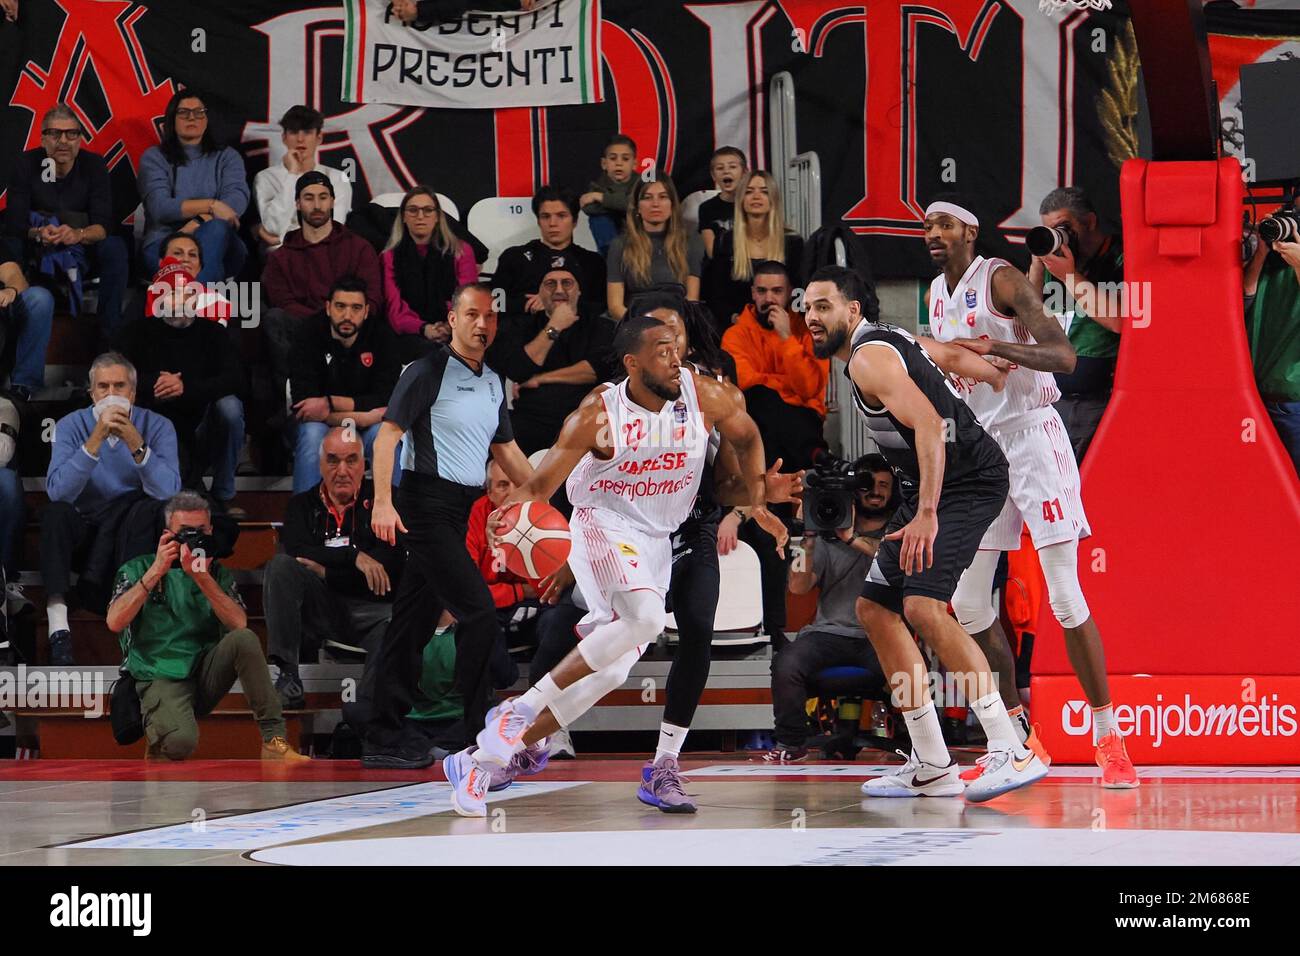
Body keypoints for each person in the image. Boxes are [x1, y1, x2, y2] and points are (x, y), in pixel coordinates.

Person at [442, 314, 786, 817]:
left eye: (678, 348)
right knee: (645, 619)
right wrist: (506, 513)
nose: (676, 359)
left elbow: (749, 437)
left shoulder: (706, 396)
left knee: (613, 666)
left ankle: (478, 762)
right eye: (663, 350)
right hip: (601, 523)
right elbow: (539, 487)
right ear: (632, 363)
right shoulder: (596, 416)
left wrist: (759, 493)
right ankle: (519, 712)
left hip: (655, 538)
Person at [805, 263, 1048, 802]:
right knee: (875, 608)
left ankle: (1012, 746)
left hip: (966, 482)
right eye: (807, 308)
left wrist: (928, 513)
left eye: (823, 306)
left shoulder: (869, 359)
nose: (811, 317)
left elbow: (933, 428)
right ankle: (932, 761)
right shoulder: (888, 337)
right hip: (928, 485)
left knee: (923, 608)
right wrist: (989, 372)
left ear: (852, 310)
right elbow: (946, 355)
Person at [924, 198, 1138, 789]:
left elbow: (1064, 355)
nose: (933, 235)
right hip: (983, 450)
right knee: (967, 606)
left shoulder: (1001, 277)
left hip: (1034, 439)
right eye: (926, 227)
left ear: (970, 230)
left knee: (1065, 596)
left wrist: (999, 348)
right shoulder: (937, 298)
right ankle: (1018, 737)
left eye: (944, 225)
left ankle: (1108, 738)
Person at [352, 283, 535, 769]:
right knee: (477, 613)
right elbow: (387, 437)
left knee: (411, 622)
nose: (482, 325)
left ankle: (383, 734)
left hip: (459, 507)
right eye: (472, 315)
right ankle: (472, 732)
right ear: (451, 318)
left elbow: (507, 452)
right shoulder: (426, 370)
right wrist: (383, 503)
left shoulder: (494, 381)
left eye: (490, 317)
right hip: (423, 503)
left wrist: (549, 500)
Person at [107, 490, 309, 762]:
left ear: (211, 531)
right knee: (180, 743)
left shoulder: (216, 573)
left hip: (204, 673)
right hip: (160, 673)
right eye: (185, 532)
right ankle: (160, 740)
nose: (193, 539)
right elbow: (115, 621)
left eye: (200, 532)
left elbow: (239, 624)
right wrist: (156, 571)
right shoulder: (137, 568)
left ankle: (273, 739)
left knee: (245, 639)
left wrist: (201, 578)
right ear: (168, 533)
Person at [42, 353, 182, 665]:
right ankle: (58, 624)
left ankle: (139, 622)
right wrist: (94, 441)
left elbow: (170, 492)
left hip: (132, 532)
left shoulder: (158, 426)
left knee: (150, 512)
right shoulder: (70, 426)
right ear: (91, 393)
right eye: (102, 387)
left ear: (132, 392)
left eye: (119, 386)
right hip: (87, 530)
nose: (111, 394)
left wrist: (136, 443)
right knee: (54, 515)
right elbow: (59, 492)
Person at [265, 426, 404, 709]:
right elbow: (299, 553)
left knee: (397, 623)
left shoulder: (386, 502)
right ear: (320, 464)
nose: (342, 470)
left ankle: (367, 712)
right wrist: (355, 557)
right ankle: (287, 674)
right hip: (324, 611)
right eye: (333, 460)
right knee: (280, 566)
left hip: (374, 612)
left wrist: (327, 571)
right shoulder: (300, 506)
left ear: (364, 465)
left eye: (351, 460)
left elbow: (391, 565)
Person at [767, 456, 895, 761]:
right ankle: (792, 744)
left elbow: (890, 562)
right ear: (854, 489)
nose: (875, 492)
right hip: (827, 634)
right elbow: (798, 587)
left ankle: (916, 744)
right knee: (786, 663)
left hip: (880, 635)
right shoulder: (827, 532)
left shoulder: (897, 529)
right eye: (868, 485)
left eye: (883, 485)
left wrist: (851, 538)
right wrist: (807, 536)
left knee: (908, 671)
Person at [118, 246, 245, 515]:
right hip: (155, 417)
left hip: (202, 419)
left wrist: (186, 387)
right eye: (169, 293)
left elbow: (235, 378)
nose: (178, 300)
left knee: (231, 408)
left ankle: (223, 494)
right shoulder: (136, 332)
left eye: (183, 292)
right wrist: (155, 382)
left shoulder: (214, 333)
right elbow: (116, 374)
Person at [3, 105, 129, 337]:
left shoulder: (94, 165)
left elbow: (103, 226)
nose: (63, 141)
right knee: (10, 241)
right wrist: (39, 233)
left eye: (71, 134)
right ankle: (15, 319)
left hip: (81, 245)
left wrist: (78, 234)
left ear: (80, 140)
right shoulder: (26, 164)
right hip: (37, 244)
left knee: (115, 247)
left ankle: (109, 335)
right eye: (54, 133)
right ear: (42, 139)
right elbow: (14, 222)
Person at [263, 172, 383, 397]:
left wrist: (342, 319)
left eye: (323, 197)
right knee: (274, 319)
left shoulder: (359, 248)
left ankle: (364, 399)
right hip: (305, 330)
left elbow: (373, 298)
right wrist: (323, 323)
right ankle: (296, 400)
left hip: (352, 328)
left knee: (375, 321)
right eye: (308, 198)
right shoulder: (281, 257)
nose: (317, 205)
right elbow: (283, 302)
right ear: (298, 203)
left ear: (333, 201)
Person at [1028, 186, 1124, 463]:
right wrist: (1037, 262)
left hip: (1098, 402)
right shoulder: (1055, 262)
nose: (1060, 237)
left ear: (1090, 222)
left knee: (1091, 486)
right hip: (1051, 401)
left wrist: (1070, 276)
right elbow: (1026, 315)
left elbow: (1120, 321)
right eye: (1050, 230)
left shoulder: (1119, 257)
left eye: (1064, 227)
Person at [288, 275, 400, 493]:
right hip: (322, 426)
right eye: (340, 306)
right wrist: (366, 415)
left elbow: (386, 398)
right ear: (328, 307)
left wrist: (330, 403)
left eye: (356, 308)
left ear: (366, 311)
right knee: (312, 436)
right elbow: (306, 408)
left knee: (385, 436)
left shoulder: (382, 336)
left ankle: (391, 516)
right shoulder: (307, 334)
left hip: (365, 427)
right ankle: (305, 521)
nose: (347, 315)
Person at [486, 267, 614, 455]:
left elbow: (594, 370)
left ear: (579, 290)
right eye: (550, 284)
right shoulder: (520, 326)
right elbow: (518, 370)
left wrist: (541, 378)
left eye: (567, 283)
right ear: (539, 292)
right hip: (531, 417)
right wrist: (554, 326)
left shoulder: (601, 326)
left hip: (584, 415)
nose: (559, 290)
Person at [721, 260, 827, 470]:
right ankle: (818, 456)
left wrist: (787, 338)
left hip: (802, 416)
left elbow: (808, 389)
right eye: (762, 291)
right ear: (753, 293)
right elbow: (744, 383)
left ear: (789, 293)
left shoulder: (809, 332)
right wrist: (786, 386)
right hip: (758, 416)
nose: (769, 298)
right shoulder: (735, 335)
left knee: (771, 405)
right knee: (762, 397)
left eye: (777, 291)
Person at [137, 90, 248, 282]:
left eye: (199, 112)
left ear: (206, 119)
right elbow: (160, 208)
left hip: (219, 239)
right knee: (203, 257)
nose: (191, 118)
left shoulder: (227, 157)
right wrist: (212, 206)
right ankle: (201, 305)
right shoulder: (154, 157)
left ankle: (190, 303)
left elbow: (236, 200)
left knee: (216, 229)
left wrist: (198, 221)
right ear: (172, 120)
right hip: (164, 244)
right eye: (183, 112)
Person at [380, 185, 478, 363]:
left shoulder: (462, 251)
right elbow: (395, 310)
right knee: (427, 353)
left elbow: (467, 302)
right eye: (413, 210)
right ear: (403, 217)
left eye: (427, 210)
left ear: (437, 217)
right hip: (411, 333)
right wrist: (424, 328)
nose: (420, 216)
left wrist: (449, 326)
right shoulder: (389, 257)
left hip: (456, 329)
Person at [1244, 195, 1300, 477]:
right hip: (1256, 397)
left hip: (1293, 401)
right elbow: (1243, 302)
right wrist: (1262, 253)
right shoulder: (1270, 266)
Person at [705, 170, 804, 329]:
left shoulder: (793, 242)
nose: (756, 196)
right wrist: (735, 318)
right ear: (741, 199)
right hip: (738, 329)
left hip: (782, 328)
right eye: (749, 192)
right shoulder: (725, 241)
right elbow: (715, 295)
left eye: (764, 192)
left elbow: (799, 292)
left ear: (773, 199)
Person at [253, 104, 353, 255]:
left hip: (326, 253)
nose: (300, 139)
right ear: (284, 138)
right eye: (293, 132)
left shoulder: (338, 178)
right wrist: (292, 174)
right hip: (282, 256)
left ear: (319, 138)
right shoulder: (266, 178)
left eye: (307, 132)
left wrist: (282, 236)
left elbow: (334, 228)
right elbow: (273, 227)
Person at [494, 185, 607, 315]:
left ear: (575, 221)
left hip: (577, 332)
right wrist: (526, 304)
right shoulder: (513, 257)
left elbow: (601, 306)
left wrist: (554, 302)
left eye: (561, 216)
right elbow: (496, 302)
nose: (553, 223)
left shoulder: (592, 262)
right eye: (546, 216)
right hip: (523, 332)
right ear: (538, 221)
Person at [606, 173, 705, 320]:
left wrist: (673, 326)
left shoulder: (691, 241)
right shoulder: (620, 245)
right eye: (647, 197)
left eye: (663, 197)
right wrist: (643, 326)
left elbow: (691, 301)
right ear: (637, 206)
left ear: (672, 205)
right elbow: (615, 306)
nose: (655, 204)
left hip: (678, 323)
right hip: (634, 324)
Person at [0, 259, 54, 403]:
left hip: (4, 306)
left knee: (39, 298)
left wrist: (10, 290)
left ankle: (23, 386)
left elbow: (14, 276)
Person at [580, 134, 638, 256]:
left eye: (625, 159)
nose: (619, 164)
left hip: (638, 239)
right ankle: (613, 256)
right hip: (611, 241)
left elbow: (634, 204)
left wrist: (602, 198)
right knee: (599, 220)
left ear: (634, 164)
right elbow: (589, 208)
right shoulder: (598, 185)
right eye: (613, 159)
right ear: (604, 164)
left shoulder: (642, 184)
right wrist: (620, 206)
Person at [698, 146, 748, 258]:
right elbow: (712, 252)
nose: (726, 171)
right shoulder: (706, 208)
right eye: (720, 168)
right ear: (713, 175)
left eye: (732, 167)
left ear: (744, 172)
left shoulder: (753, 204)